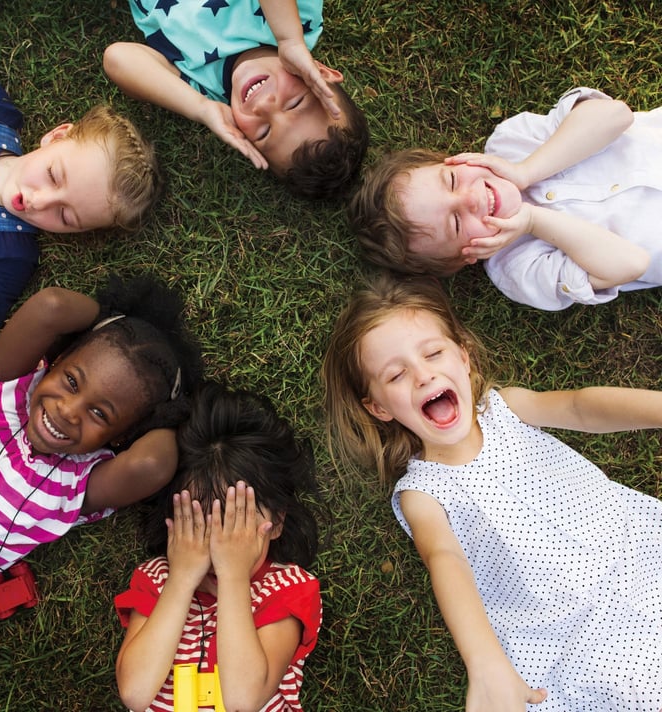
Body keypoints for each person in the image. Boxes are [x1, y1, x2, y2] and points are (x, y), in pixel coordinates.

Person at [322, 274, 662, 710]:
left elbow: (581, 404)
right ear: (379, 407)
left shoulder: (509, 408)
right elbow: (445, 561)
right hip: (571, 632)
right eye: (396, 374)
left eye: (433, 353)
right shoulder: (423, 494)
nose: (424, 375)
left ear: (463, 357)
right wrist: (483, 662)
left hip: (639, 549)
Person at [0, 272, 203, 681]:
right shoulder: (3, 393)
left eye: (100, 414)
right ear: (55, 362)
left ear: (122, 436)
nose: (68, 410)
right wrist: (111, 321)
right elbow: (52, 307)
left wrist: (166, 415)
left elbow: (153, 464)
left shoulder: (77, 487)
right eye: (71, 381)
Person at [0, 0, 161, 409]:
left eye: (65, 216)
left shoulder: (6, 254)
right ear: (56, 136)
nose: (39, 202)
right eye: (55, 176)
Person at [348, 86, 662, 311]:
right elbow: (632, 263)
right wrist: (533, 221)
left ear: (453, 160)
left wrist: (527, 171)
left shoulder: (511, 141)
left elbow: (615, 115)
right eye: (456, 222)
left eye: (453, 180)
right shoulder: (517, 270)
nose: (470, 199)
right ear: (466, 256)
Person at [114, 381, 322, 712]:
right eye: (199, 521)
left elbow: (244, 701)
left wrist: (234, 576)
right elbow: (135, 694)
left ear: (276, 523)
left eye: (235, 523)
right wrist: (180, 579)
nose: (217, 545)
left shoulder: (287, 588)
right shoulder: (157, 579)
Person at [103, 0, 369, 200]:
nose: (265, 107)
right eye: (295, 103)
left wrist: (201, 108)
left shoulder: (201, 90)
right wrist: (289, 39)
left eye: (264, 132)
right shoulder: (300, 19)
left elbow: (118, 59)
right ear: (321, 73)